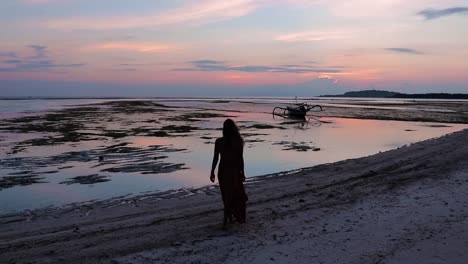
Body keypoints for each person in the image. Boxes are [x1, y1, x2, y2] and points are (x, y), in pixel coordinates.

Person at [210, 119, 248, 228]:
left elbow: (215, 158)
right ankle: (229, 217)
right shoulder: (238, 141)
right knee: (235, 194)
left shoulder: (219, 141)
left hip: (223, 171)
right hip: (233, 171)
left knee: (226, 195)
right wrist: (242, 172)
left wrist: (212, 171)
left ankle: (228, 218)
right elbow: (240, 159)